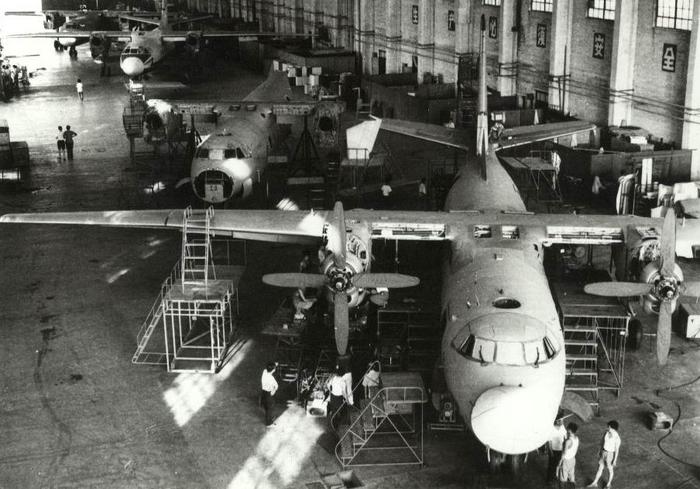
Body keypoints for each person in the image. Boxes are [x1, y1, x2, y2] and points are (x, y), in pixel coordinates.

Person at [587, 420, 621, 489]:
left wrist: (614, 460)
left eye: (608, 426)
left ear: (611, 427)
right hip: (603, 452)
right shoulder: (606, 433)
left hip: (610, 454)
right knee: (600, 468)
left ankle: (608, 485)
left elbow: (617, 450)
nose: (607, 427)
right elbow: (602, 442)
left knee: (610, 470)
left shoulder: (617, 438)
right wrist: (600, 451)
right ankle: (594, 483)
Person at [326, 365, 350, 430]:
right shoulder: (343, 381)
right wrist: (347, 400)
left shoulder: (334, 378)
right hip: (339, 398)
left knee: (334, 411)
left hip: (333, 397)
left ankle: (333, 425)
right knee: (339, 411)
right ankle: (337, 427)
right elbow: (344, 392)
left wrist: (331, 390)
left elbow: (328, 384)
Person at [557, 422, 579, 489]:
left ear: (570, 430)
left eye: (568, 428)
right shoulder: (577, 438)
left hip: (566, 461)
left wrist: (559, 463)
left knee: (562, 479)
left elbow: (564, 453)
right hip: (573, 459)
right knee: (571, 477)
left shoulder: (568, 441)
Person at [546, 418, 567, 484]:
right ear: (556, 421)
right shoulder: (551, 429)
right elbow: (549, 442)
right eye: (560, 420)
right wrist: (551, 452)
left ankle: (557, 476)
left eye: (562, 420)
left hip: (561, 450)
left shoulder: (562, 427)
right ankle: (549, 479)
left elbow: (565, 437)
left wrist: (565, 448)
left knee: (559, 464)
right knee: (551, 465)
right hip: (553, 450)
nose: (562, 422)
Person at [260, 362, 278, 427]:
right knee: (270, 409)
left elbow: (266, 368)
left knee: (266, 407)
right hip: (269, 395)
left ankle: (268, 418)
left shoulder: (264, 372)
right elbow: (276, 386)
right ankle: (269, 423)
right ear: (273, 370)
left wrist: (274, 365)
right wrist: (274, 390)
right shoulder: (271, 379)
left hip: (263, 393)